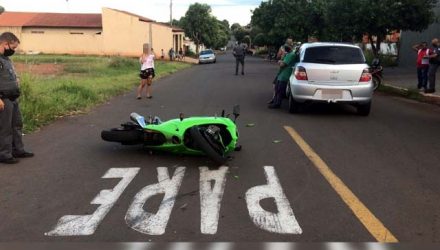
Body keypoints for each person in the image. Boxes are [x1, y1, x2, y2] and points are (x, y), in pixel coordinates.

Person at [0, 32, 34, 164]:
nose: (13, 50)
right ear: (4, 43)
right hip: (3, 99)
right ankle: (4, 154)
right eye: (13, 48)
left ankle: (17, 150)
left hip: (13, 98)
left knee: (17, 125)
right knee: (5, 128)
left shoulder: (5, 59)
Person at [268, 44, 298, 109]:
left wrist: (280, 61)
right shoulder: (288, 54)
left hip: (285, 75)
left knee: (280, 90)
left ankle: (277, 103)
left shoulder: (291, 55)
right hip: (282, 74)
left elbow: (282, 64)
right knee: (277, 88)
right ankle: (275, 102)